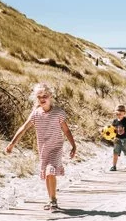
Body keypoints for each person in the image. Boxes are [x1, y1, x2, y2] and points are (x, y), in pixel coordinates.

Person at [6, 83, 76, 211]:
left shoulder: (58, 113)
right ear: (36, 99)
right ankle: (50, 199)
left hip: (56, 147)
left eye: (45, 96)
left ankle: (53, 200)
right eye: (39, 97)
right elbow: (23, 128)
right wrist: (12, 143)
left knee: (50, 171)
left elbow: (66, 130)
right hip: (43, 149)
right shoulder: (36, 114)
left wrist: (73, 146)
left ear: (51, 97)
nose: (42, 99)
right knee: (47, 174)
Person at [110, 104, 126, 172]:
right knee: (115, 153)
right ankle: (114, 166)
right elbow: (112, 130)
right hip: (117, 139)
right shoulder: (115, 121)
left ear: (124, 113)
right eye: (117, 114)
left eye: (120, 114)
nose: (119, 115)